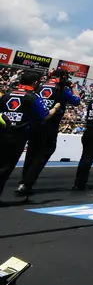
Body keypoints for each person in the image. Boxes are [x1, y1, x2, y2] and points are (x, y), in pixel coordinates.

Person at [17, 69, 81, 195]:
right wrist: (74, 88)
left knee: (31, 154)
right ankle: (27, 182)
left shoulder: (39, 86)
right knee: (45, 152)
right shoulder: (62, 89)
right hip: (50, 124)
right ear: (62, 77)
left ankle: (23, 181)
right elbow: (77, 101)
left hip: (34, 123)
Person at [0, 71, 49, 201]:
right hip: (17, 136)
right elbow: (43, 116)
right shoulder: (33, 97)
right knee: (4, 168)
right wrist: (55, 109)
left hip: (2, 132)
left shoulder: (7, 94)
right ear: (35, 83)